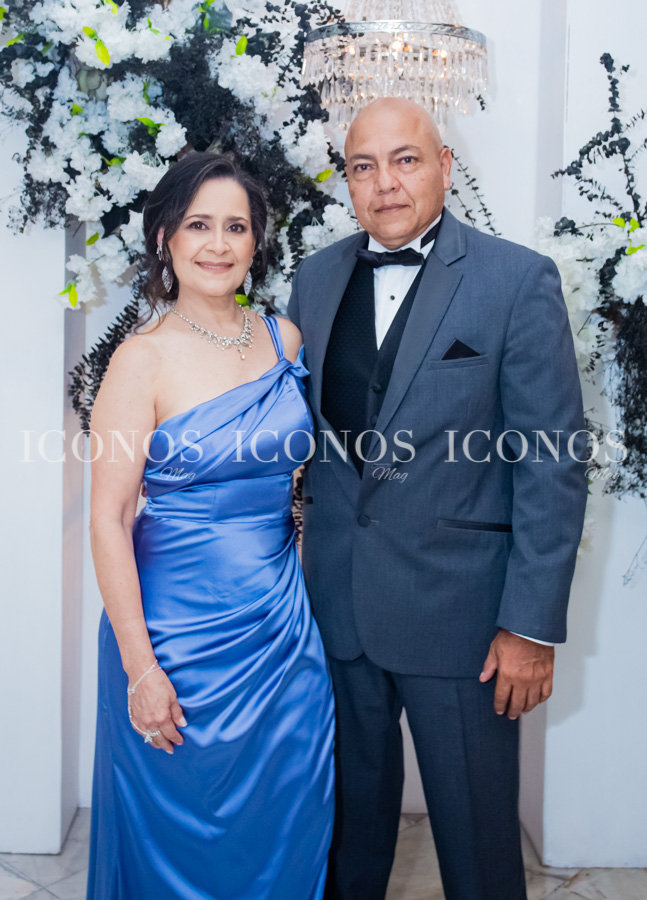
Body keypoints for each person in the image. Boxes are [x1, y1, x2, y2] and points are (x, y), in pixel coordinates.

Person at [288, 97, 588, 900]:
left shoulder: (514, 279)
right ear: (346, 181)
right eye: (363, 166)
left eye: (405, 160)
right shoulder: (313, 279)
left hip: (464, 620)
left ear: (445, 167)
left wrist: (529, 626)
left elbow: (552, 464)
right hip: (337, 609)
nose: (384, 183)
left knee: (477, 847)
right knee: (342, 838)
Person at [87, 152, 334, 900]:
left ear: (257, 240)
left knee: (285, 821)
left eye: (236, 226)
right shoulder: (140, 360)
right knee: (175, 835)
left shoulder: (284, 340)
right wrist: (141, 668)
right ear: (165, 236)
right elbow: (109, 517)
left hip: (281, 630)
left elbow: (294, 482)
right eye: (199, 225)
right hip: (174, 637)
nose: (218, 245)